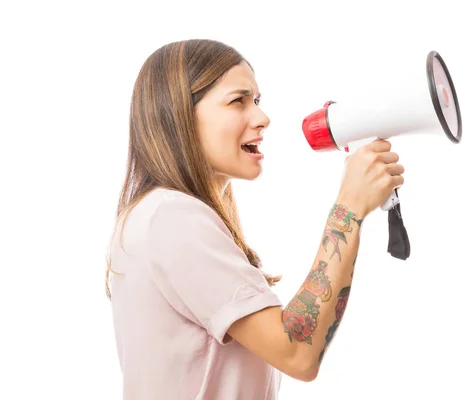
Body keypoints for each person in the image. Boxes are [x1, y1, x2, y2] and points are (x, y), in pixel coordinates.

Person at [105, 39, 405, 400]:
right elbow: (297, 352)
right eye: (238, 100)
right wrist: (349, 209)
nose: (262, 118)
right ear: (179, 114)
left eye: (257, 101)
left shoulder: (154, 216)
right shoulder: (172, 219)